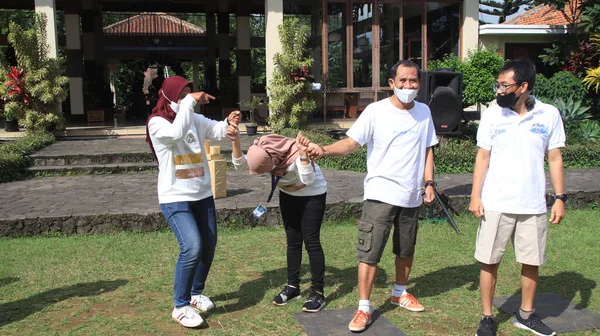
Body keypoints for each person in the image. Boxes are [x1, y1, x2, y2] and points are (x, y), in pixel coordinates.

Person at [306, 59, 438, 332]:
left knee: (406, 249)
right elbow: (352, 142)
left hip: (412, 195)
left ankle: (400, 292)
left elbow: (428, 150)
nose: (408, 86)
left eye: (413, 81)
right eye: (402, 81)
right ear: (391, 83)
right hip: (381, 193)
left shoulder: (424, 112)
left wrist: (429, 182)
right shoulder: (376, 111)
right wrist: (324, 149)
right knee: (369, 252)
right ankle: (363, 307)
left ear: (419, 83)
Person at [469, 60, 566, 336]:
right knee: (489, 260)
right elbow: (482, 156)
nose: (499, 90)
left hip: (532, 203)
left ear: (523, 87)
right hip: (496, 201)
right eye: (497, 85)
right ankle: (487, 317)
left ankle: (526, 314)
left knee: (531, 260)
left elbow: (555, 157)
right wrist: (476, 195)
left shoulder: (548, 114)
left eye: (504, 85)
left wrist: (560, 197)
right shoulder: (492, 114)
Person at [146, 75, 240, 328]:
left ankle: (196, 293)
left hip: (202, 195)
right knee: (192, 247)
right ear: (168, 96)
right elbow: (176, 134)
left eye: (189, 92)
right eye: (181, 94)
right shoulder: (157, 123)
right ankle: (180, 306)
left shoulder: (194, 118)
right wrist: (189, 102)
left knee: (208, 246)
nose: (186, 98)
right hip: (175, 198)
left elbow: (215, 129)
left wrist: (229, 123)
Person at [226, 127, 328, 313]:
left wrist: (304, 156)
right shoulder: (264, 151)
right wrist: (235, 142)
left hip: (312, 194)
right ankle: (293, 287)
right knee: (292, 241)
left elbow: (309, 179)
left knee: (311, 242)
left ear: (274, 160)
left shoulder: (295, 155)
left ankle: (317, 292)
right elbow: (242, 165)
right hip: (288, 194)